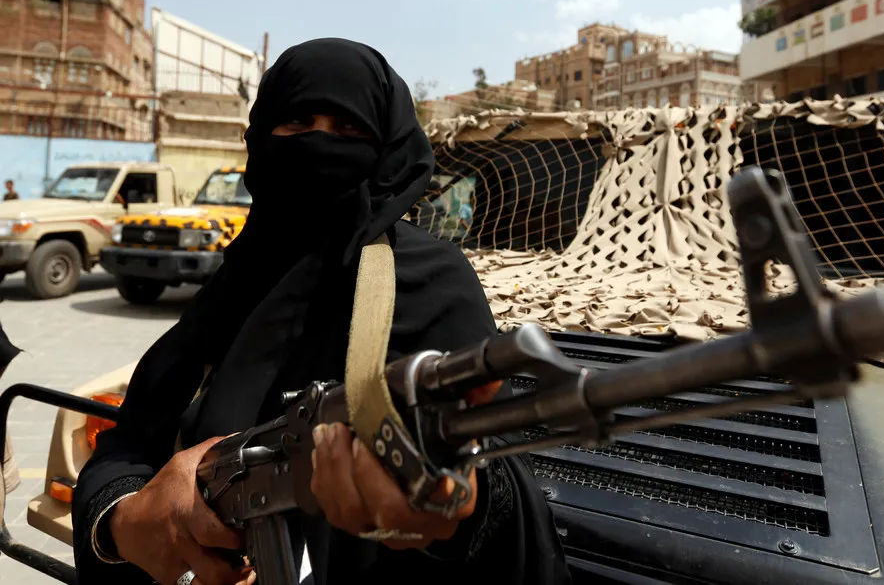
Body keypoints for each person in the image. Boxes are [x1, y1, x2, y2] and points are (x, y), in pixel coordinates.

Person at [71, 38, 572, 585]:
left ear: (387, 147)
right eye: (297, 122)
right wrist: (120, 520)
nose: (319, 144)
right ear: (258, 138)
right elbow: (129, 443)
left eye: (350, 129)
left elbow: (502, 476)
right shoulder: (238, 279)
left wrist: (457, 504)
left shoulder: (431, 278)